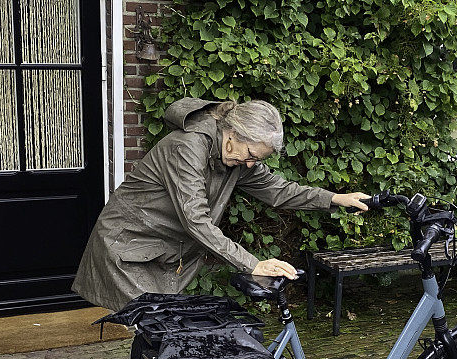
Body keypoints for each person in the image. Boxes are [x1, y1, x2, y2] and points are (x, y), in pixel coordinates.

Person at [73, 97, 370, 312]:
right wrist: (254, 264)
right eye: (251, 153)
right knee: (160, 331)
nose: (252, 164)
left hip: (159, 254)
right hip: (127, 249)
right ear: (235, 135)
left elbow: (278, 190)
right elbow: (196, 220)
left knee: (161, 337)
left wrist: (333, 198)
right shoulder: (187, 148)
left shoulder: (237, 159)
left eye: (259, 159)